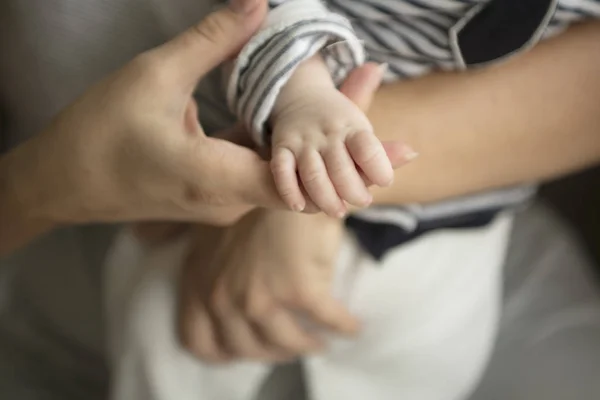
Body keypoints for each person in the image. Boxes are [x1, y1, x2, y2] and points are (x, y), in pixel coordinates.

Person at [1, 0, 600, 399]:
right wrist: (302, 109)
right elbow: (271, 17)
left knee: (426, 371)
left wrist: (309, 195)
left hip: (456, 226)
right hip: (215, 187)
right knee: (171, 346)